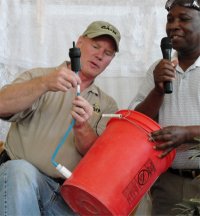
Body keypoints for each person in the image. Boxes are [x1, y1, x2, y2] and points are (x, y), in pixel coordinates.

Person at [0, 20, 121, 215]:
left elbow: (101, 162)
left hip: (66, 200)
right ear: (79, 43)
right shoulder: (40, 77)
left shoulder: (108, 105)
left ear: (111, 60)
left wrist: (82, 127)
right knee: (19, 171)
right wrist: (44, 84)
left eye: (107, 53)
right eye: (96, 46)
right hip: (19, 183)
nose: (99, 55)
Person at [128, 0, 200, 215]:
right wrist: (157, 90)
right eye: (170, 19)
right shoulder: (158, 69)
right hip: (168, 184)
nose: (173, 25)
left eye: (184, 19)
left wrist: (188, 133)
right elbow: (135, 124)